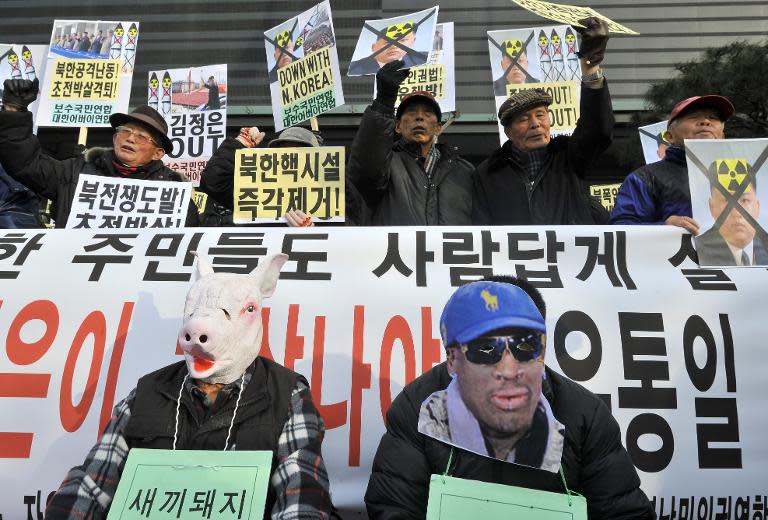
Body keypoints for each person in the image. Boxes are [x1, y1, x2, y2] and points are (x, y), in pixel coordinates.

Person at [45, 253, 336, 519]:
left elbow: (302, 493)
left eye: (245, 309)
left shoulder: (287, 394)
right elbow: (94, 480)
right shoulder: (148, 391)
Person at [365, 277, 655, 520]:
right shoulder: (418, 407)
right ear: (452, 359)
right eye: (485, 350)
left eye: (525, 346)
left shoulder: (583, 414)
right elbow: (394, 508)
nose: (508, 370)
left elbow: (625, 513)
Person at [0, 78, 198, 227]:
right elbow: (26, 164)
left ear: (157, 153)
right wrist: (14, 112)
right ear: (114, 139)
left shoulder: (173, 192)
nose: (130, 138)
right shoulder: (75, 172)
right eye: (125, 131)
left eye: (141, 136)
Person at [473, 17, 613, 225]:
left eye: (540, 115)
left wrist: (590, 67)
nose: (535, 124)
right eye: (523, 119)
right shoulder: (488, 174)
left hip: (571, 256)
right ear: (509, 132)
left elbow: (597, 128)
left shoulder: (569, 157)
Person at [348, 61, 474, 225]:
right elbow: (365, 171)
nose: (419, 117)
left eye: (428, 113)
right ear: (398, 126)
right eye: (412, 112)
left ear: (438, 128)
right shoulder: (385, 165)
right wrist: (383, 101)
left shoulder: (465, 171)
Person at [609, 95, 735, 233]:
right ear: (670, 137)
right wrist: (664, 228)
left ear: (722, 135)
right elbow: (621, 229)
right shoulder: (644, 179)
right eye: (693, 117)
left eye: (713, 118)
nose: (705, 121)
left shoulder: (744, 175)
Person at [697, 173, 766, 266]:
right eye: (727, 200)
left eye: (745, 200)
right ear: (712, 207)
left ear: (757, 207)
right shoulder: (694, 250)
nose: (737, 213)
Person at [349, 22, 422, 75]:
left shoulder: (424, 59)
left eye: (402, 40)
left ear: (413, 42)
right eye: (388, 43)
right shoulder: (352, 69)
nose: (394, 46)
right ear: (373, 47)